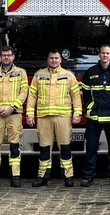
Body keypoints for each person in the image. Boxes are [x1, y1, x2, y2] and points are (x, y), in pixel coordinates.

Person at [26, 49, 83, 187]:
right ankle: (43, 176)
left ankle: (68, 176)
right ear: (47, 59)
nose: (54, 60)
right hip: (44, 117)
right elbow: (32, 96)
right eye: (51, 58)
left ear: (61, 60)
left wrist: (77, 114)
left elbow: (76, 96)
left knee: (65, 147)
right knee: (44, 148)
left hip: (63, 117)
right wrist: (29, 114)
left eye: (56, 58)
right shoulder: (39, 75)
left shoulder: (69, 75)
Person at [80, 44, 110, 187]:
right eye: (103, 53)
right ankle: (88, 176)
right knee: (91, 148)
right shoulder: (90, 72)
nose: (105, 55)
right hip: (94, 118)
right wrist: (91, 107)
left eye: (107, 53)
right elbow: (87, 94)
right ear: (99, 55)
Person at [0, 46, 29, 188]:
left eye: (9, 55)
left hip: (14, 114)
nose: (6, 57)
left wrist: (11, 107)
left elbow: (24, 92)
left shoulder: (21, 73)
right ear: (0, 57)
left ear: (13, 57)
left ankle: (15, 176)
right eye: (4, 55)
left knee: (14, 146)